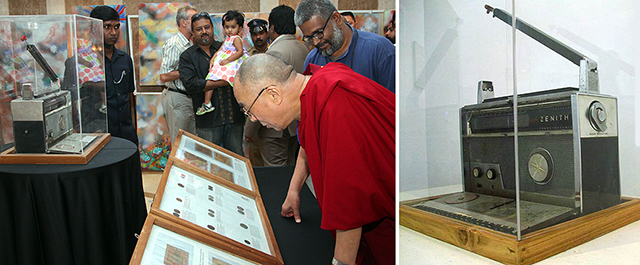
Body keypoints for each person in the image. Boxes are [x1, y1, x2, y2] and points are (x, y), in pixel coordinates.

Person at [234, 54, 395, 265]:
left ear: (273, 94)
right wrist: (294, 190)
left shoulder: (337, 105)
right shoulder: (311, 91)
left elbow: (351, 205)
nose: (252, 119)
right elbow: (309, 140)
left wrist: (341, 262)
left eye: (248, 109)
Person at [244, 4, 309, 166]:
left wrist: (249, 130)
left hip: (275, 128)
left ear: (272, 28)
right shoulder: (303, 48)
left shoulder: (275, 52)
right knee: (290, 168)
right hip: (295, 125)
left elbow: (261, 96)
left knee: (275, 174)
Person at [179, 12, 244, 156]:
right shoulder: (187, 56)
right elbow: (191, 84)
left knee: (237, 161)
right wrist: (222, 82)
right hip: (208, 122)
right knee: (209, 164)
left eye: (207, 27)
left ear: (212, 28)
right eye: (199, 29)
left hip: (234, 117)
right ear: (193, 32)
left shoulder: (227, 48)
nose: (204, 32)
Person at [296, 0, 395, 93]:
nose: (316, 42)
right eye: (309, 38)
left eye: (319, 33)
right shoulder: (312, 59)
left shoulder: (381, 51)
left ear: (336, 19)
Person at [90, 5, 138, 146]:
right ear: (94, 28)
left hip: (126, 133)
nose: (113, 32)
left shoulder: (125, 59)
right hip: (99, 134)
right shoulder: (83, 62)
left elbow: (129, 97)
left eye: (117, 27)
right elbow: (75, 104)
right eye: (107, 27)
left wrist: (133, 128)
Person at [196, 10, 249, 115]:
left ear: (240, 28)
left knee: (228, 80)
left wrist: (228, 60)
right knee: (211, 77)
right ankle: (207, 103)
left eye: (233, 27)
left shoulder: (236, 39)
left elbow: (240, 52)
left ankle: (244, 102)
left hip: (233, 62)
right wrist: (212, 60)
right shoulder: (228, 39)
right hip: (224, 62)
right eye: (227, 27)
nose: (229, 30)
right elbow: (220, 50)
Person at [160, 5, 198, 145]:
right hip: (177, 97)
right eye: (193, 19)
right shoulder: (173, 44)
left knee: (191, 143)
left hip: (190, 98)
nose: (197, 22)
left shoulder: (191, 44)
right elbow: (164, 76)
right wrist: (186, 72)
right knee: (178, 143)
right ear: (184, 22)